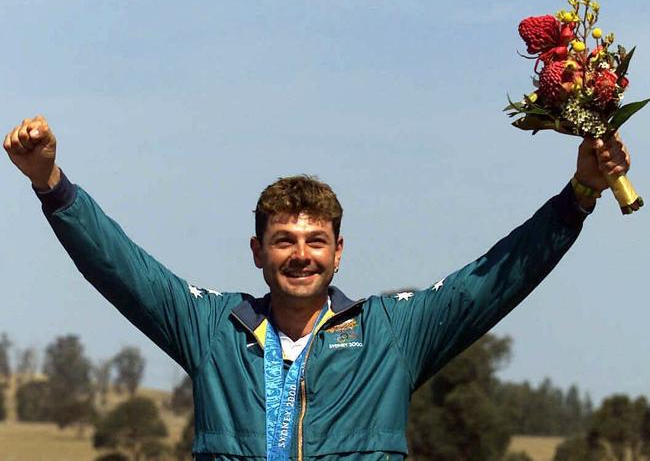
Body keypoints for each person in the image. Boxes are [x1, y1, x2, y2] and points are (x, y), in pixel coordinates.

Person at [4, 115, 630, 460]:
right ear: (257, 252)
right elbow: (122, 269)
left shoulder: (392, 332)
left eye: (315, 241)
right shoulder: (212, 329)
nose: (300, 255)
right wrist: (51, 183)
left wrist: (577, 199)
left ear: (338, 251)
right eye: (283, 240)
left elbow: (492, 281)